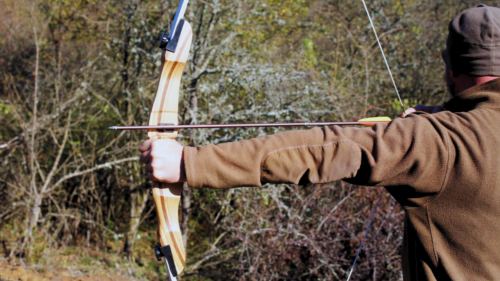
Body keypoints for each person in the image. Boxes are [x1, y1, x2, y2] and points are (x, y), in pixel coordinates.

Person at [140, 5, 500, 281]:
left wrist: (188, 162)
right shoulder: (445, 136)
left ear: (452, 68)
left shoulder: (439, 143)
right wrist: (445, 117)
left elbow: (327, 150)